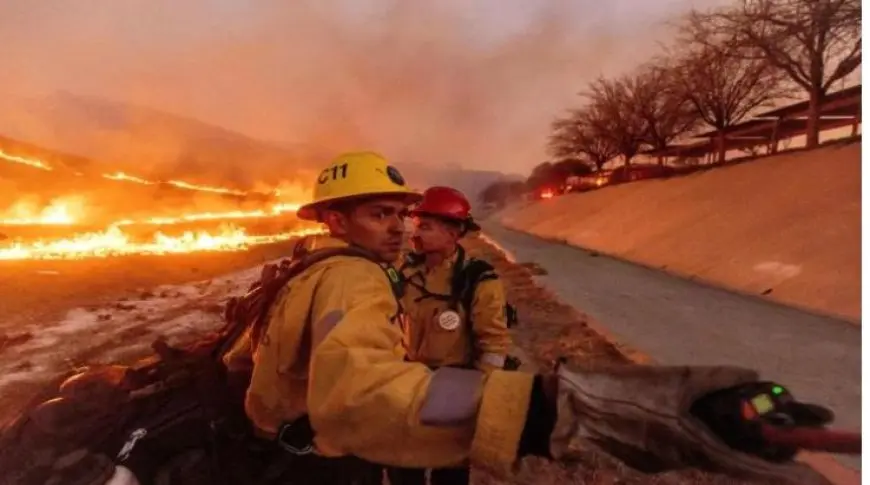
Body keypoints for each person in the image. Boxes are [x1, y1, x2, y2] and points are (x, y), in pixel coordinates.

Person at [243, 150, 832, 485]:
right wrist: (544, 406)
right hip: (349, 445)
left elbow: (487, 343)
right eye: (382, 214)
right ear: (335, 222)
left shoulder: (316, 272)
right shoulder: (355, 276)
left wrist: (480, 390)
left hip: (408, 413)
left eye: (406, 214)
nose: (403, 227)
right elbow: (358, 394)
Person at [387, 186, 510, 485]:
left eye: (425, 227)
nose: (415, 234)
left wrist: (479, 397)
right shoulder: (404, 271)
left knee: (449, 474)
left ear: (453, 233)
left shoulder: (478, 280)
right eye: (416, 226)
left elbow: (493, 345)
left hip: (453, 392)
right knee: (403, 470)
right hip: (407, 388)